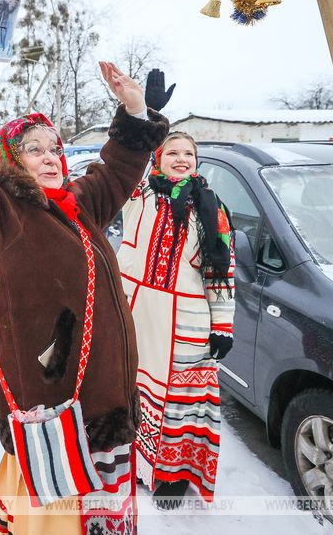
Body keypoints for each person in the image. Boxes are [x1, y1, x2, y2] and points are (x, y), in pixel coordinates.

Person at [0, 36, 168, 533]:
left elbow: (120, 169)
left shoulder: (79, 204)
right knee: (58, 521)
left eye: (54, 147)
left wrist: (135, 110)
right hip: (53, 410)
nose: (50, 154)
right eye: (32, 149)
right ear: (9, 161)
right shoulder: (1, 215)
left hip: (106, 403)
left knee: (103, 514)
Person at [116, 132, 235, 508]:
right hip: (134, 312)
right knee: (131, 390)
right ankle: (134, 463)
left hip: (186, 319)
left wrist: (222, 325)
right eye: (173, 152)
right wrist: (146, 116)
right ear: (158, 158)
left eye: (189, 153)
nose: (182, 158)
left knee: (180, 403)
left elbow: (222, 270)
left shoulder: (212, 209)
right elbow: (124, 159)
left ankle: (172, 477)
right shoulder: (139, 196)